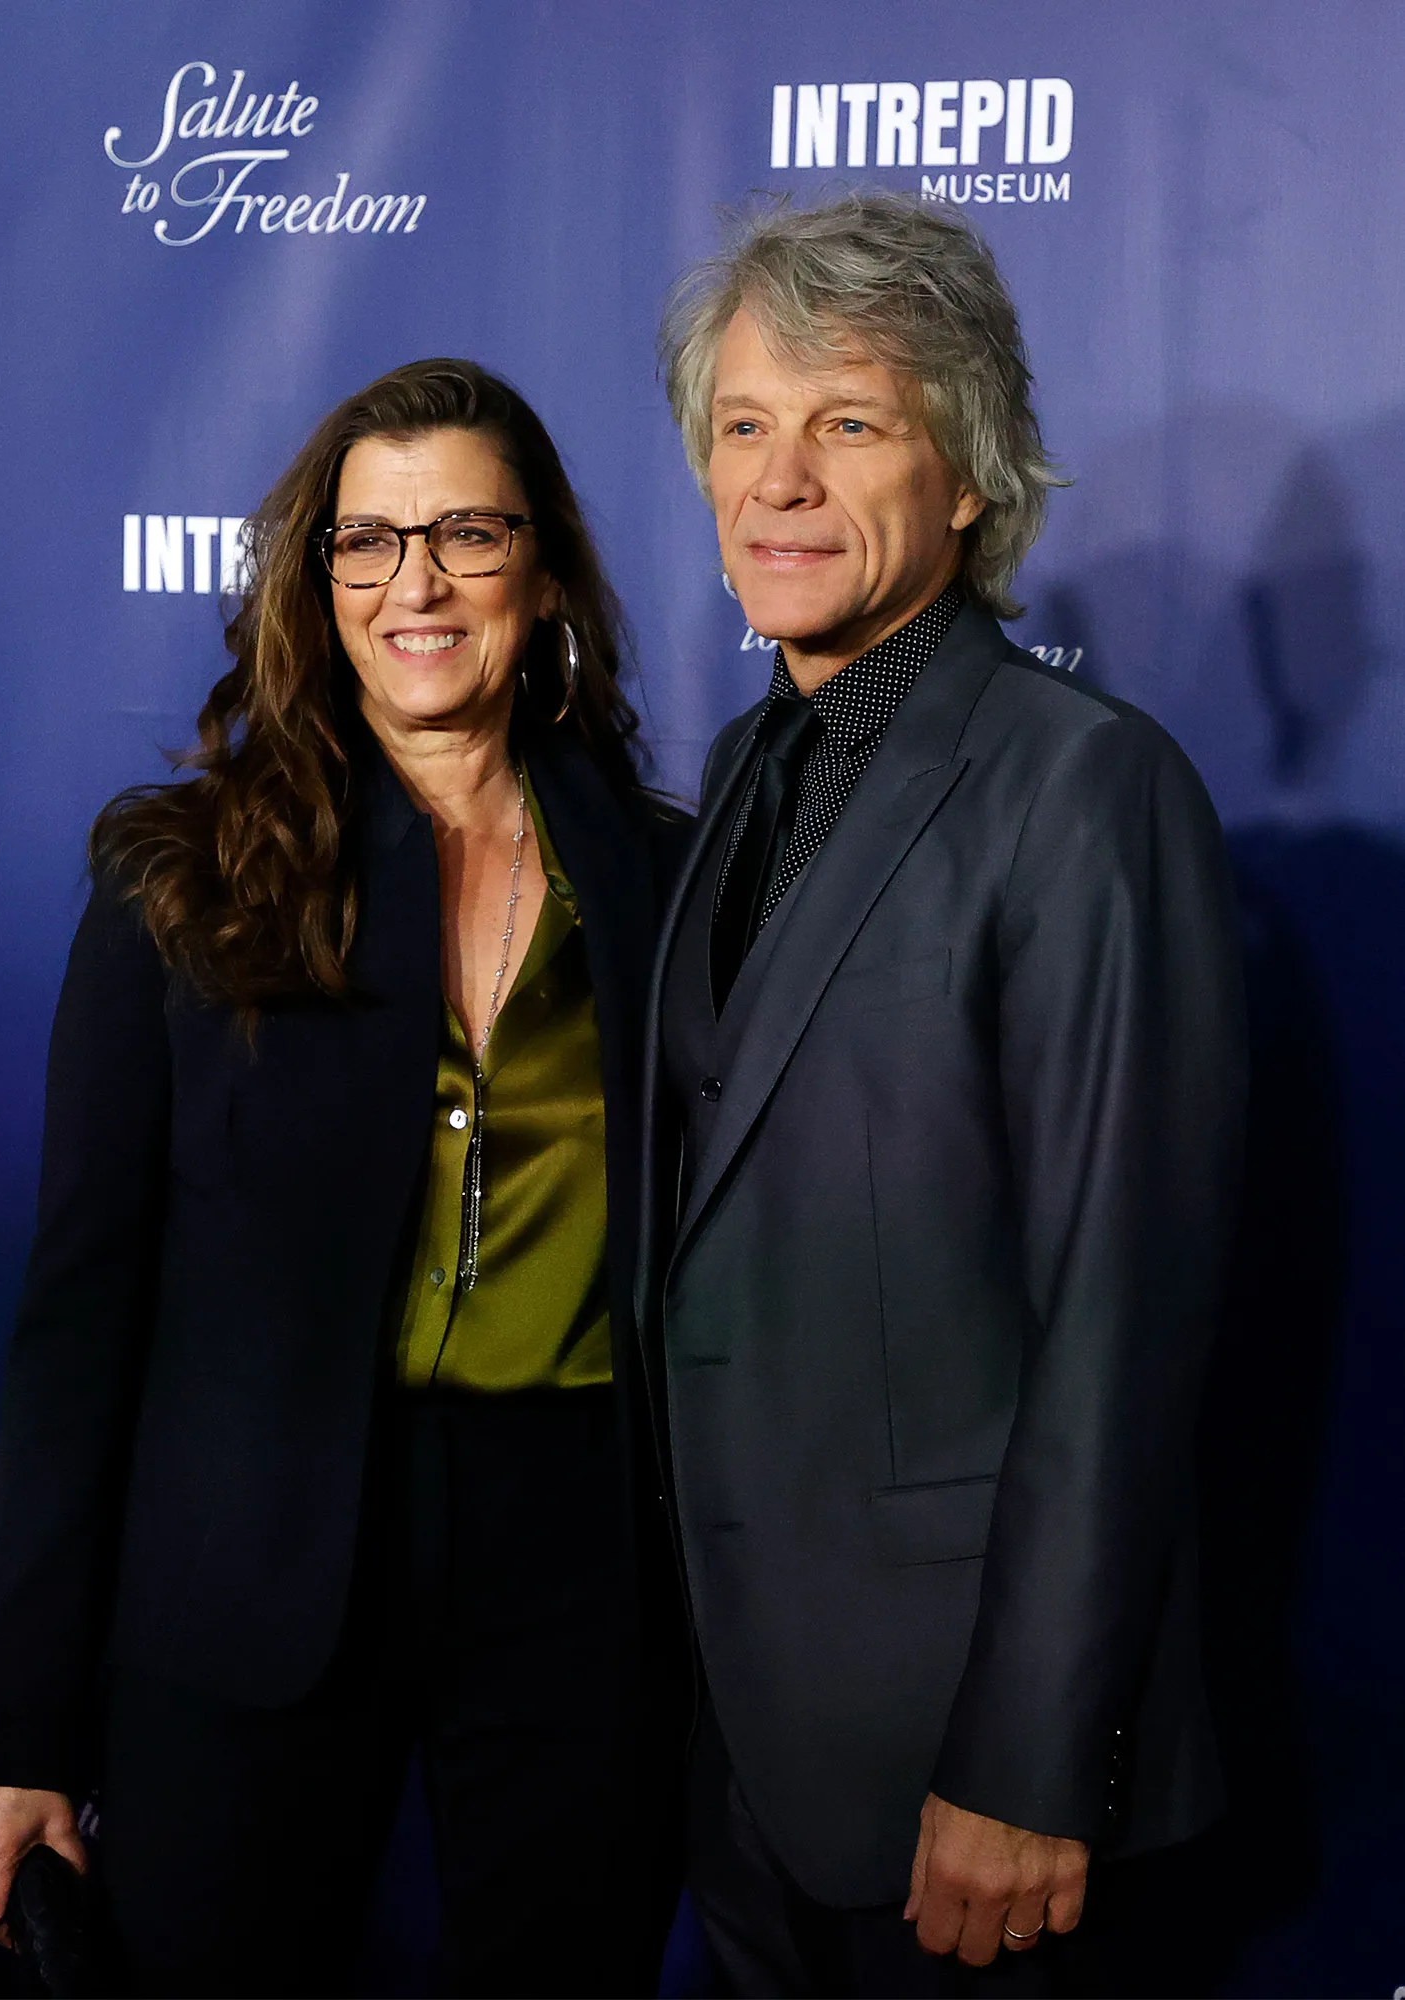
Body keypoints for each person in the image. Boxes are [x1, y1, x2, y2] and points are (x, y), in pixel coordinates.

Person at [0, 359, 689, 1997]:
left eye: (467, 535)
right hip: (243, 1573)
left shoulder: (667, 883)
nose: (415, 585)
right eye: (368, 542)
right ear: (317, 577)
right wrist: (13, 1729)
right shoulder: (182, 879)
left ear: (544, 570)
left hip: (575, 1571)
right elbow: (79, 1322)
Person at [640, 193, 1247, 1997]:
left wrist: (1027, 1762)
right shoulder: (743, 765)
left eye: (846, 423)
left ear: (967, 473)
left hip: (962, 1775)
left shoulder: (1083, 786)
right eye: (742, 425)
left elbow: (1118, 1311)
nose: (777, 481)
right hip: (741, 1747)